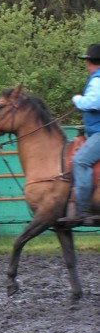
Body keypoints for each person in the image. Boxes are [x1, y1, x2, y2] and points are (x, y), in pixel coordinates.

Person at [62, 44, 100, 225]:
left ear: (90, 62)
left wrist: (77, 99)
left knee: (80, 161)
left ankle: (83, 210)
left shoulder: (97, 80)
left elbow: (92, 103)